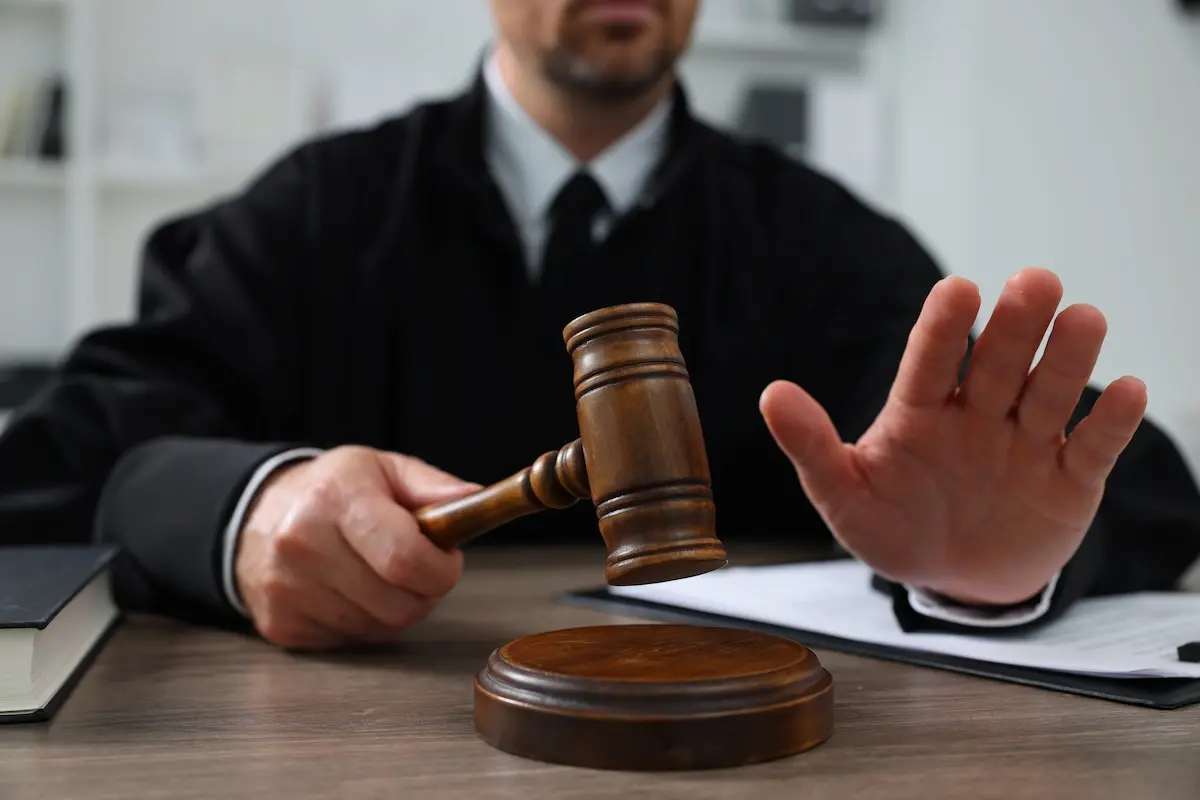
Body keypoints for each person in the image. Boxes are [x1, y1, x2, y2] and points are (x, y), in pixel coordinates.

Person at [2, 0, 1199, 651]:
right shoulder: (314, 213)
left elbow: (1112, 475)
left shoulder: (819, 241)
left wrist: (992, 568)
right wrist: (245, 507)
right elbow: (65, 461)